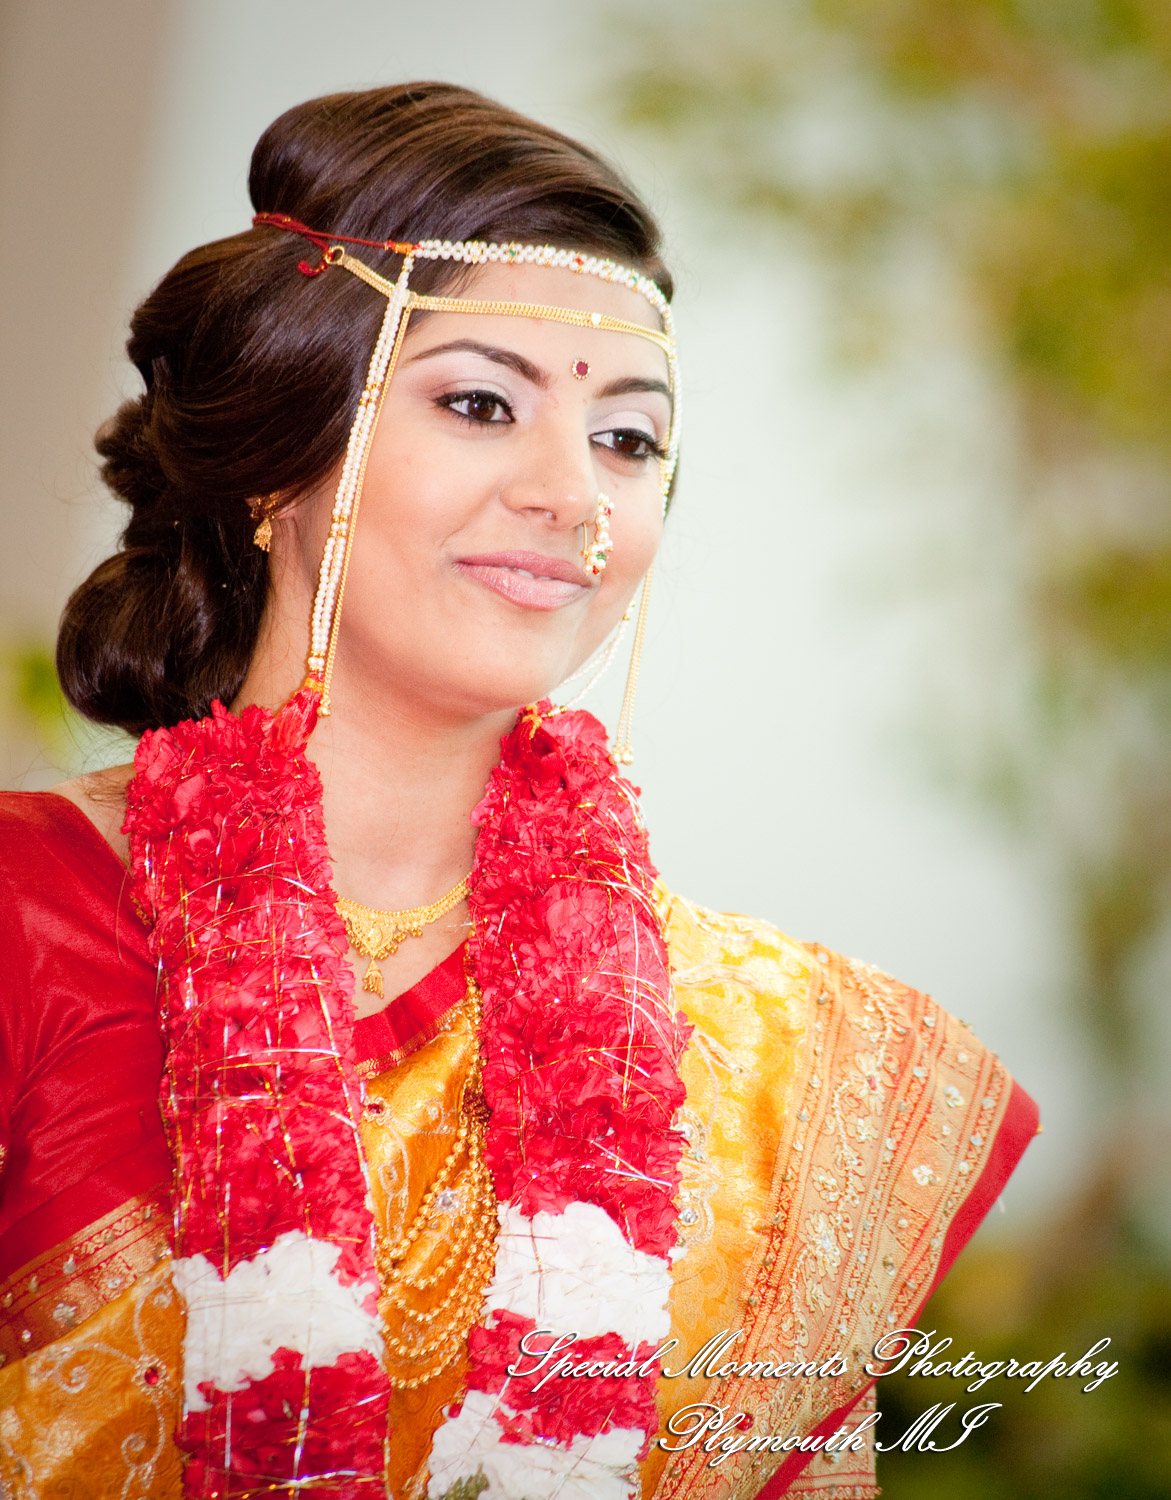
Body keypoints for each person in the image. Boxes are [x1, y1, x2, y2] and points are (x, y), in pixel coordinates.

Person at [0, 83, 1038, 1500]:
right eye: (481, 403)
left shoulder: (777, 1063)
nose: (576, 496)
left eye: (628, 437)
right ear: (276, 459)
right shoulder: (24, 920)